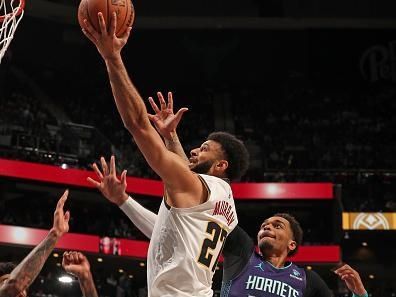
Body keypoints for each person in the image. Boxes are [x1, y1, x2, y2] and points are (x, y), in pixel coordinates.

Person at [91, 94, 368, 297]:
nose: (266, 227)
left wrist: (359, 295)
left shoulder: (307, 280)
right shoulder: (242, 248)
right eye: (265, 224)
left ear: (293, 244)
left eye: (276, 225)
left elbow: (185, 191)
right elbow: (173, 227)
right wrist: (125, 201)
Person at [82, 12, 249, 297]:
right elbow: (164, 232)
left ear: (222, 165)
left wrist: (112, 58)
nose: (196, 149)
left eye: (206, 148)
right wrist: (124, 200)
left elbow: (137, 125)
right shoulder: (226, 205)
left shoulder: (195, 186)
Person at [0, 190, 70, 297]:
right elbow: (14, 285)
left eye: (23, 288)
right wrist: (55, 235)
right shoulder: (12, 287)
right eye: (5, 283)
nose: (18, 291)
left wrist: (85, 278)